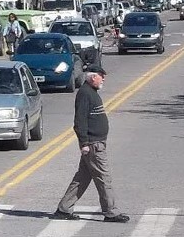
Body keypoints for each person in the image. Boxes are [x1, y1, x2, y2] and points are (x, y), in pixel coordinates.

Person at [52, 64, 130, 223]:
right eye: (101, 76)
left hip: (97, 143)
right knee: (104, 178)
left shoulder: (91, 92)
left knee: (82, 178)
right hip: (93, 145)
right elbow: (79, 121)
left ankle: (64, 209)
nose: (103, 79)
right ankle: (111, 212)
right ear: (93, 77)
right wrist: (84, 143)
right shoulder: (85, 93)